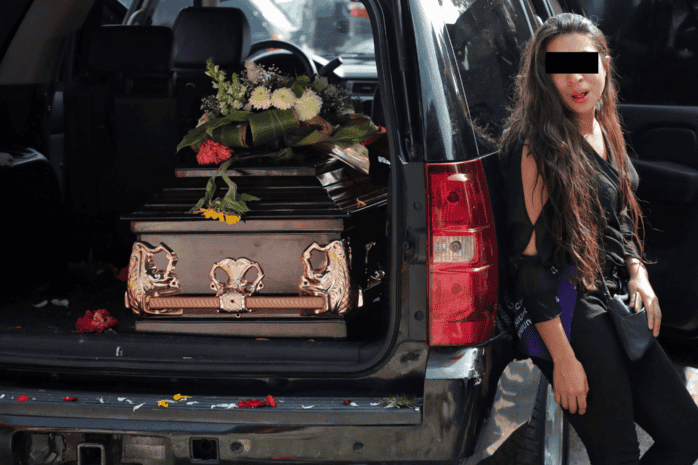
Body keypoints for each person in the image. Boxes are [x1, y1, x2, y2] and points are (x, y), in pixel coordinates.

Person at [497, 12, 698, 465]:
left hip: (612, 296)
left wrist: (638, 271)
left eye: (585, 64)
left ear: (605, 64)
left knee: (686, 435)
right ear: (544, 77)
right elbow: (530, 268)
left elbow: (618, 216)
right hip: (566, 305)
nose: (575, 78)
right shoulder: (537, 147)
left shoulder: (601, 125)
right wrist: (563, 360)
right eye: (560, 67)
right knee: (618, 453)